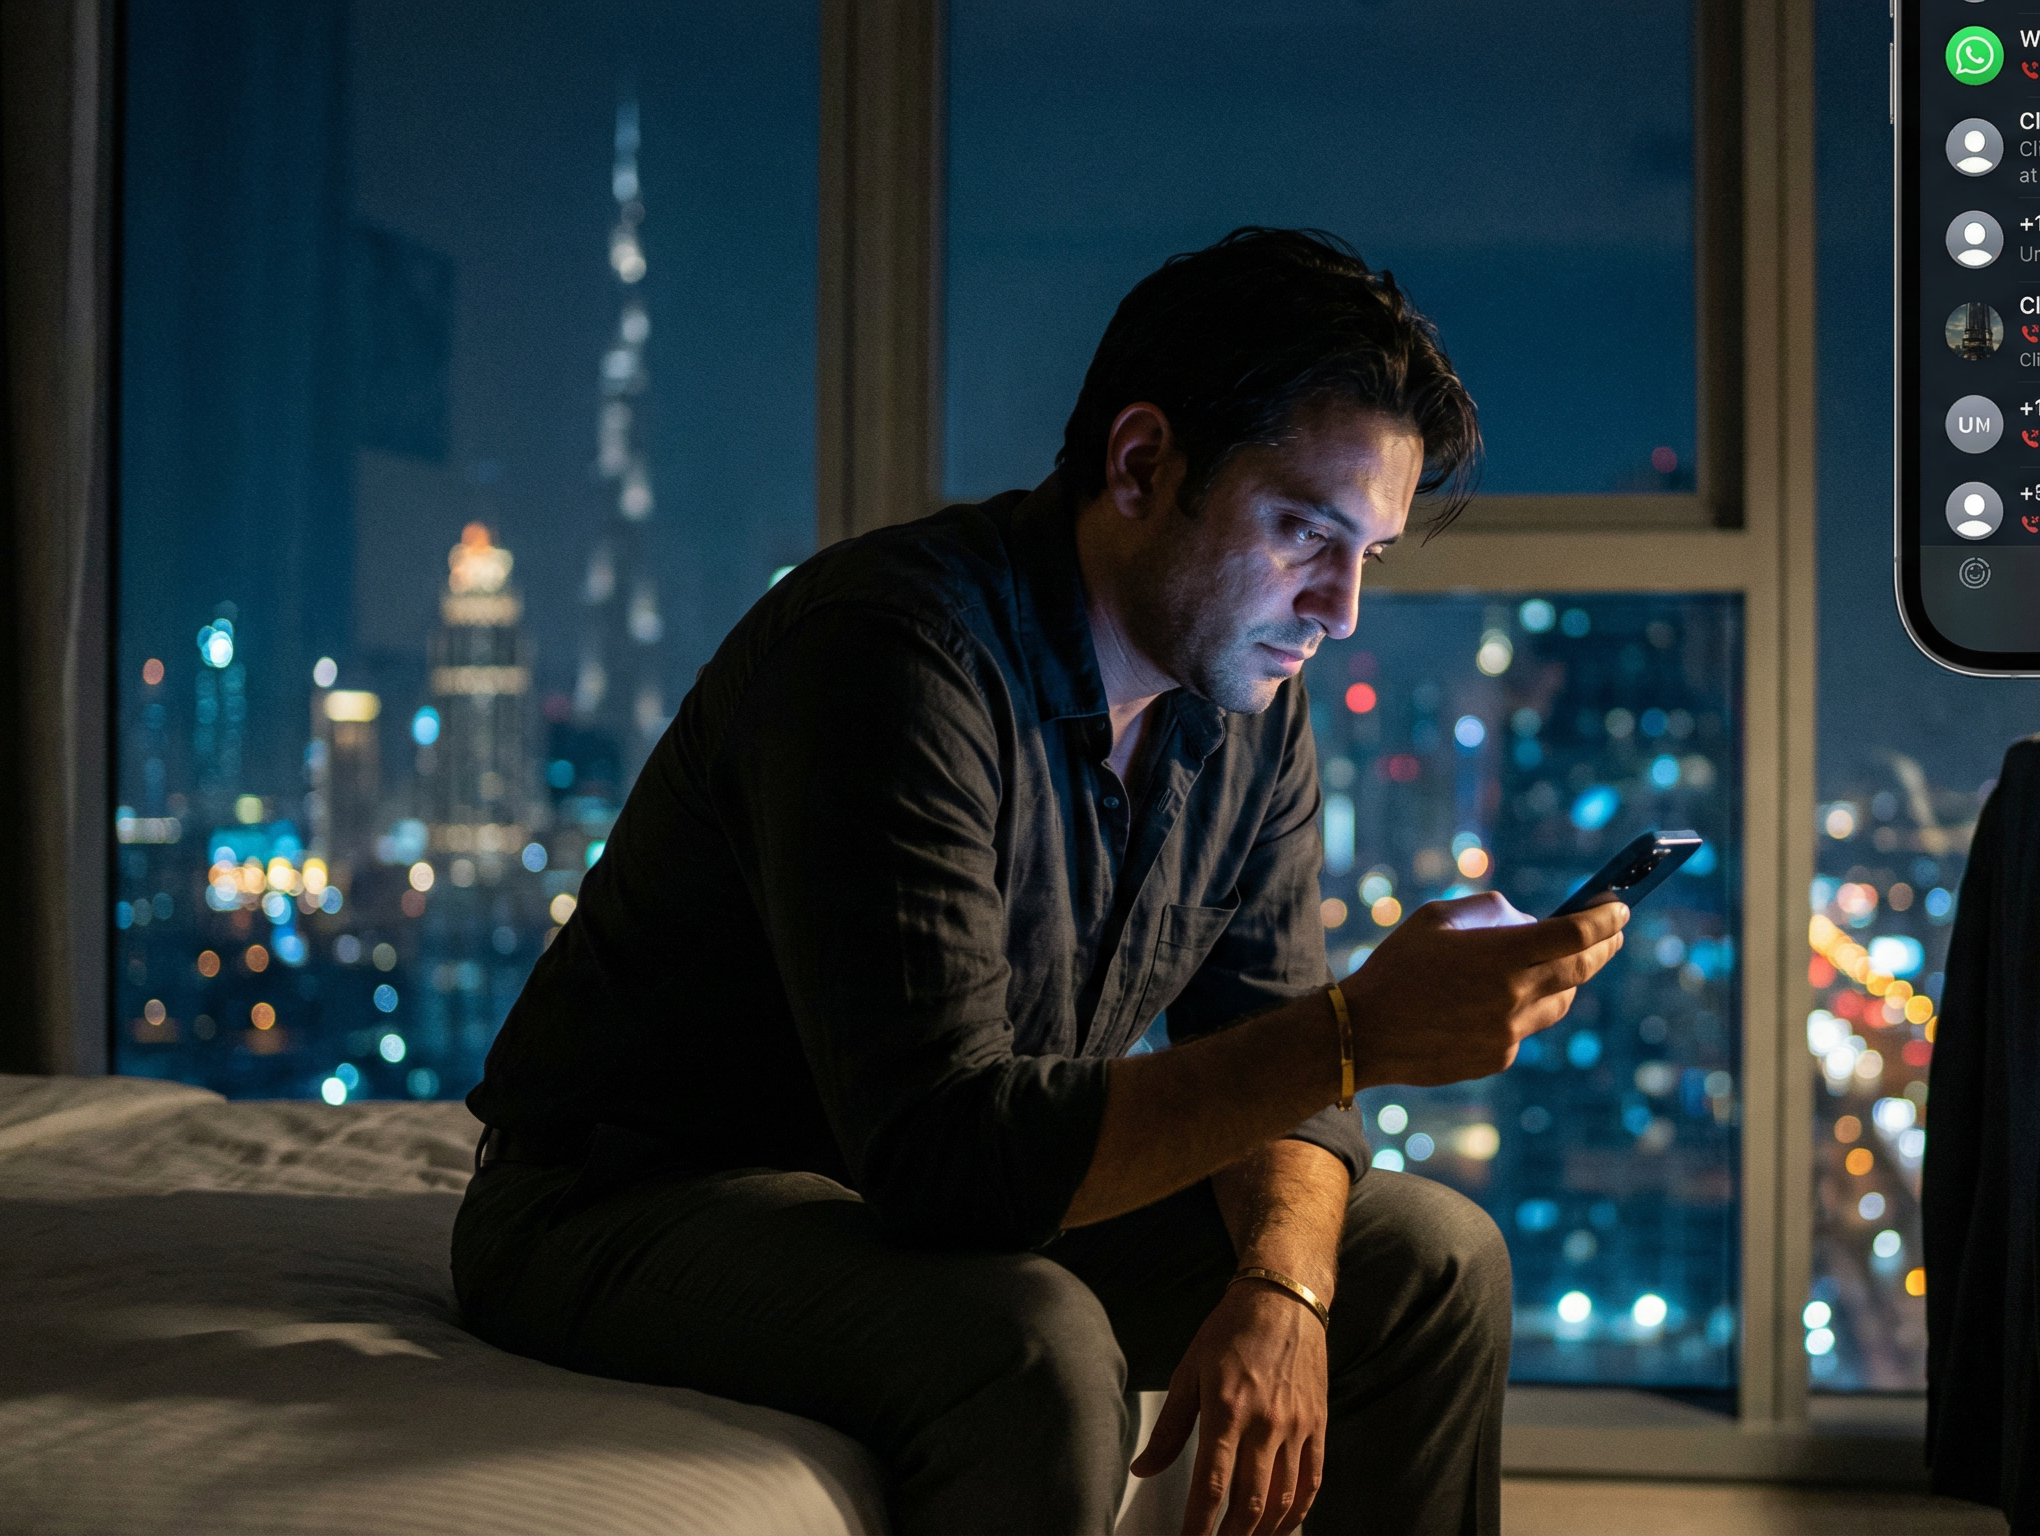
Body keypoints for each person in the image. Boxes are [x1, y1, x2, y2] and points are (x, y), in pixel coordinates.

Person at [453, 227, 1627, 1536]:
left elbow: (1267, 1055)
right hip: (633, 1199)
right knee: (1040, 1344)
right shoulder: (893, 654)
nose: (1340, 607)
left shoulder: (1248, 709)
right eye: (1305, 531)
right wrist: (1360, 1033)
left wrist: (1282, 1285)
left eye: (1369, 555)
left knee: (1434, 1265)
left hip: (918, 1191)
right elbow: (946, 1158)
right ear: (1142, 465)